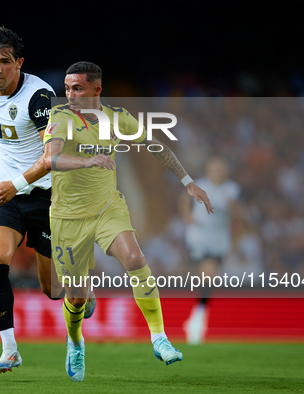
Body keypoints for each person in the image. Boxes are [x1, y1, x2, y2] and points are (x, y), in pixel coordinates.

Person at [43, 61, 214, 382]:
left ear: (97, 90)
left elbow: (154, 146)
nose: (70, 95)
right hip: (66, 217)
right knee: (77, 297)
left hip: (108, 208)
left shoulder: (117, 117)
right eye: (67, 88)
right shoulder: (61, 117)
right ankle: (76, 342)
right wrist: (86, 160)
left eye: (77, 88)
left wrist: (187, 181)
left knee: (136, 258)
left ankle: (159, 337)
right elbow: (50, 159)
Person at [0, 27, 96, 375]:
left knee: (52, 289)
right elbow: (1, 125)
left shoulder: (39, 97)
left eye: (5, 62)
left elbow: (50, 155)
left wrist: (15, 184)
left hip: (45, 195)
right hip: (7, 193)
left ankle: (83, 289)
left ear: (19, 63)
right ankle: (9, 349)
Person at [178, 156, 241, 344]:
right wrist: (188, 217)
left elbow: (237, 212)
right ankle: (198, 318)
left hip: (219, 239)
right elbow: (183, 199)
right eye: (214, 169)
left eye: (220, 169)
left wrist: (234, 211)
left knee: (208, 277)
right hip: (199, 236)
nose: (217, 173)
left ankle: (197, 314)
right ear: (207, 171)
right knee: (208, 272)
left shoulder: (232, 189)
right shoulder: (200, 185)